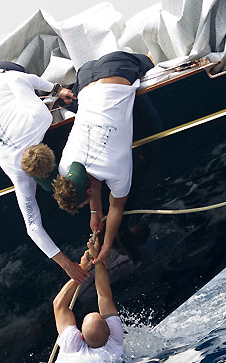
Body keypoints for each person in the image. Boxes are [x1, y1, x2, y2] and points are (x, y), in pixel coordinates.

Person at [0, 61, 88, 283]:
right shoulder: (39, 121)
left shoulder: (18, 165)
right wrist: (56, 89)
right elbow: (19, 80)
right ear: (49, 151)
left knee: (20, 88)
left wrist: (67, 265)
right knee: (19, 83)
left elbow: (33, 228)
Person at [52, 51, 154, 265]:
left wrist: (106, 248)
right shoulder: (65, 166)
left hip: (118, 68)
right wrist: (95, 212)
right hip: (86, 75)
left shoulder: (114, 169)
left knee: (149, 62)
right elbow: (91, 183)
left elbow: (116, 207)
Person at [51, 236, 124, 363]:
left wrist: (81, 270)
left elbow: (58, 304)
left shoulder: (73, 346)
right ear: (110, 332)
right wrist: (97, 258)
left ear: (81, 337)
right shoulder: (115, 344)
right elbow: (104, 295)